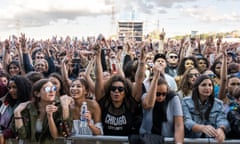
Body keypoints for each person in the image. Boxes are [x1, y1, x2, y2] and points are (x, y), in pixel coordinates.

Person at [13, 79, 72, 144]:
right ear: (37, 94)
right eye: (47, 89)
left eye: (54, 88)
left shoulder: (60, 107)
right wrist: (17, 113)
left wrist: (50, 116)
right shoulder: (28, 108)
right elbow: (22, 135)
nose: (52, 91)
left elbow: (57, 135)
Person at [140, 63, 184, 144]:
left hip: (167, 139)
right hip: (147, 138)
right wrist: (155, 78)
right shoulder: (146, 96)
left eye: (164, 94)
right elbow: (148, 105)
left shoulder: (173, 98)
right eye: (157, 94)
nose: (161, 97)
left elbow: (179, 124)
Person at [182, 75, 230, 143]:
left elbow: (222, 119)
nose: (207, 88)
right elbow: (187, 121)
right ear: (197, 87)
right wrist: (201, 128)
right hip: (191, 141)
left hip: (212, 141)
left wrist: (221, 129)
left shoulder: (219, 104)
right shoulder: (185, 102)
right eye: (203, 85)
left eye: (210, 85)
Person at [0, 75, 32, 144]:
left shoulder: (29, 105)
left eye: (15, 87)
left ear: (22, 87)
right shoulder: (6, 102)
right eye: (9, 88)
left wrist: (4, 134)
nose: (11, 90)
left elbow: (21, 130)